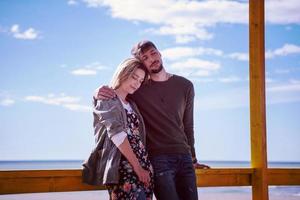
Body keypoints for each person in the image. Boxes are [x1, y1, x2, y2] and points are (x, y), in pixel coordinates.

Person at [95, 40, 210, 200]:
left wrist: (193, 158)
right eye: (145, 58)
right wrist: (97, 92)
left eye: (153, 53)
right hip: (157, 159)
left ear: (160, 53)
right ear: (141, 64)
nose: (151, 59)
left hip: (184, 157)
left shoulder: (185, 86)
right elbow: (116, 93)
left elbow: (188, 125)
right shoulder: (139, 88)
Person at [82, 58, 154, 200]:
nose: (137, 84)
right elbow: (117, 135)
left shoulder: (132, 104)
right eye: (134, 77)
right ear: (123, 73)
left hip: (143, 167)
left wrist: (144, 168)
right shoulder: (107, 98)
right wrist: (137, 168)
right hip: (122, 167)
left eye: (140, 81)